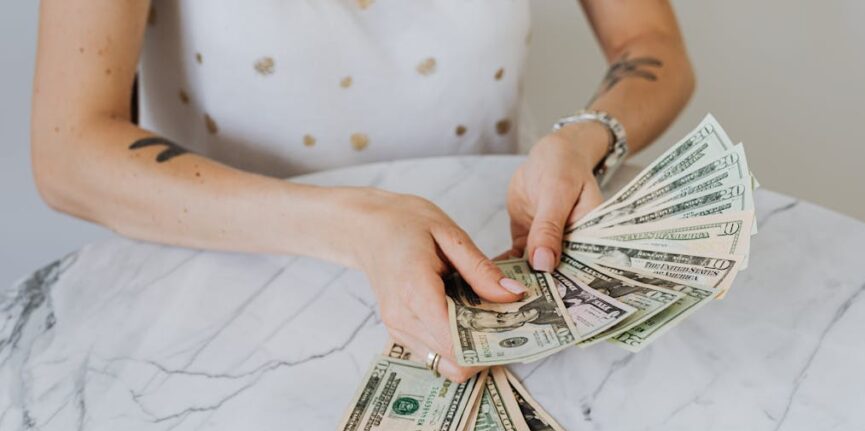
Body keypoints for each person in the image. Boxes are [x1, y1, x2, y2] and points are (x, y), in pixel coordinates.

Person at [31, 1, 696, 382]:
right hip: (223, 313)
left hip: (487, 264)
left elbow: (650, 42)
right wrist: (357, 223)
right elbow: (68, 152)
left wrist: (583, 138)